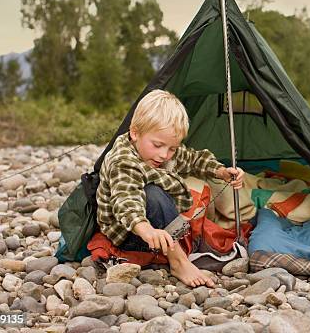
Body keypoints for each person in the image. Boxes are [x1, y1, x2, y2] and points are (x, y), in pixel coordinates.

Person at [96, 89, 245, 287]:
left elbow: (193, 159)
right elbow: (126, 201)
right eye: (157, 145)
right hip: (132, 233)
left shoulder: (164, 151)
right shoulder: (123, 162)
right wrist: (148, 230)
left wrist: (221, 171)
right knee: (153, 194)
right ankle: (178, 261)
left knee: (190, 186)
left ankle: (175, 238)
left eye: (171, 148)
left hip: (154, 228)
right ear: (134, 132)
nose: (164, 155)